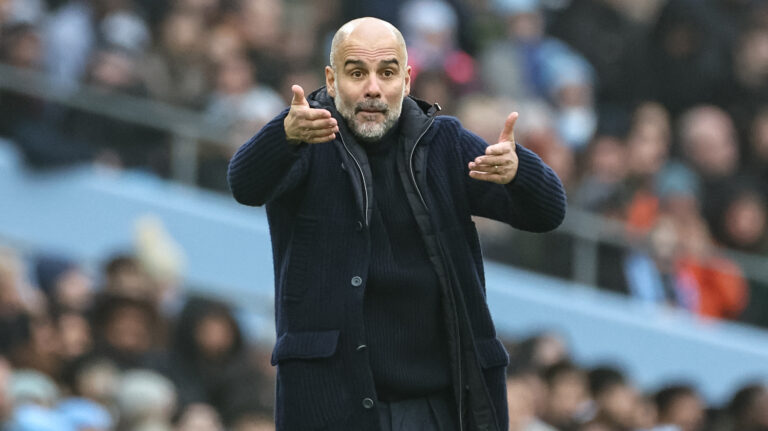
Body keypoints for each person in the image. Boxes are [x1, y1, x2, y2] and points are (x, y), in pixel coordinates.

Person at [227, 17, 566, 431]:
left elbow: (547, 212)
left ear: (406, 81)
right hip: (329, 405)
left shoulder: (445, 143)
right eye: (357, 73)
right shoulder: (305, 136)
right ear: (332, 81)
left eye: (386, 73)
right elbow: (244, 184)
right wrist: (282, 135)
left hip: (438, 408)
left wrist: (520, 171)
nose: (373, 87)